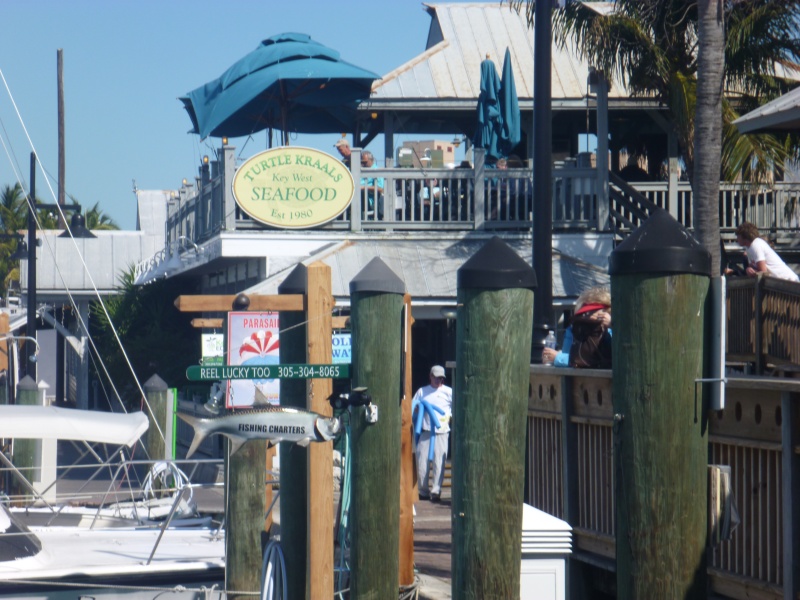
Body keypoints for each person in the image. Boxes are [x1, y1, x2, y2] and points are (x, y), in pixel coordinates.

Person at [542, 286, 612, 367]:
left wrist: (557, 357)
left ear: (606, 312)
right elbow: (571, 358)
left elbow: (590, 359)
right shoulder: (573, 329)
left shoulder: (612, 332)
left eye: (590, 312)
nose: (585, 316)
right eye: (584, 312)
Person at [412, 365, 452, 503]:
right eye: (435, 377)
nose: (438, 380)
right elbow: (413, 408)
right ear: (430, 376)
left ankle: (436, 492)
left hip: (441, 432)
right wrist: (417, 410)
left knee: (439, 462)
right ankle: (423, 491)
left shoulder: (449, 392)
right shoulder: (422, 392)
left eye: (440, 377)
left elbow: (455, 408)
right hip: (426, 431)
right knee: (421, 462)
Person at [732, 222, 799, 282]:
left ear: (745, 236)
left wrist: (753, 272)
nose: (737, 238)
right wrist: (748, 270)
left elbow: (763, 272)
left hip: (789, 282)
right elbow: (753, 267)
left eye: (738, 236)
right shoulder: (748, 247)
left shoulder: (756, 245)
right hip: (778, 283)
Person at [360, 150, 384, 219]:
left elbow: (380, 188)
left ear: (371, 160)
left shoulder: (377, 171)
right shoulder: (361, 171)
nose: (363, 164)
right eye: (361, 162)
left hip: (370, 201)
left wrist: (364, 187)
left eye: (365, 162)